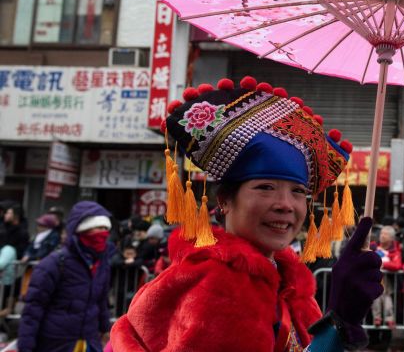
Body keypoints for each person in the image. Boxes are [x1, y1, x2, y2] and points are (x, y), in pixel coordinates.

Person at [109, 78, 383, 351]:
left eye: (299, 191)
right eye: (266, 187)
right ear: (225, 201)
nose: (286, 204)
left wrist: (340, 321)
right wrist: (339, 325)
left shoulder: (285, 284)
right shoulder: (220, 289)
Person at [18, 201, 114, 352]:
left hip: (89, 341)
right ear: (81, 230)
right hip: (55, 343)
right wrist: (25, 346)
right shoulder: (54, 263)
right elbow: (33, 309)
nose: (103, 233)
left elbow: (101, 301)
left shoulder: (102, 264)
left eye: (106, 228)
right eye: (97, 228)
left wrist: (106, 329)